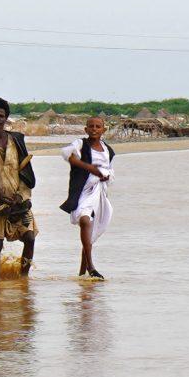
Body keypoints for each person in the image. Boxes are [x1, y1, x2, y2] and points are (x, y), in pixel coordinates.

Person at [0, 96, 37, 282]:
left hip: (18, 199)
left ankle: (24, 279)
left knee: (29, 238)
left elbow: (26, 172)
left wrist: (21, 196)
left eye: (1, 116)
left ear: (6, 118)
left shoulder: (17, 141)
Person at [61, 115, 115, 279]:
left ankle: (82, 272)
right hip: (82, 191)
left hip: (98, 192)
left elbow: (110, 170)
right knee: (85, 221)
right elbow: (67, 154)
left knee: (89, 229)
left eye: (98, 126)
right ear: (86, 129)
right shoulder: (80, 144)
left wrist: (106, 176)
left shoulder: (108, 150)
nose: (94, 129)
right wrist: (89, 168)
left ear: (103, 130)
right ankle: (91, 266)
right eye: (91, 126)